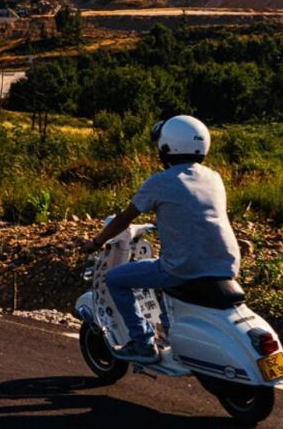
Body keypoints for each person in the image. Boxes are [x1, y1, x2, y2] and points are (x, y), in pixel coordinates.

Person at [80, 115, 240, 364]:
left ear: (167, 146)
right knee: (162, 270)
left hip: (183, 268)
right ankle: (167, 325)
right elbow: (195, 213)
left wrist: (96, 242)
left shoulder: (160, 182)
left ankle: (143, 343)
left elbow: (124, 219)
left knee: (116, 278)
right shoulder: (214, 178)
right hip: (226, 265)